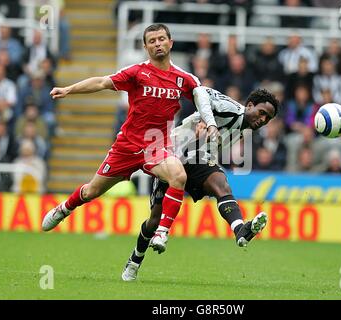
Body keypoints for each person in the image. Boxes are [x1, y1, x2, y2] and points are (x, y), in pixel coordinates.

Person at [41, 24, 219, 236]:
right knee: (91, 191)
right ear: (146, 47)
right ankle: (64, 209)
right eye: (152, 41)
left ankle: (162, 232)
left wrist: (206, 121)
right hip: (127, 145)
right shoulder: (137, 73)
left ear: (170, 43)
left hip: (156, 146)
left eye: (162, 39)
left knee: (178, 176)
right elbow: (101, 82)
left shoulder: (185, 79)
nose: (158, 44)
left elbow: (205, 103)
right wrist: (68, 89)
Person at [122, 87, 279, 281]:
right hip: (174, 154)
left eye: (268, 119)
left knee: (222, 185)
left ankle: (240, 230)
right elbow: (201, 91)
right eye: (262, 113)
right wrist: (207, 121)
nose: (263, 120)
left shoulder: (243, 128)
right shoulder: (230, 108)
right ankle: (135, 261)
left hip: (199, 159)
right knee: (154, 220)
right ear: (249, 105)